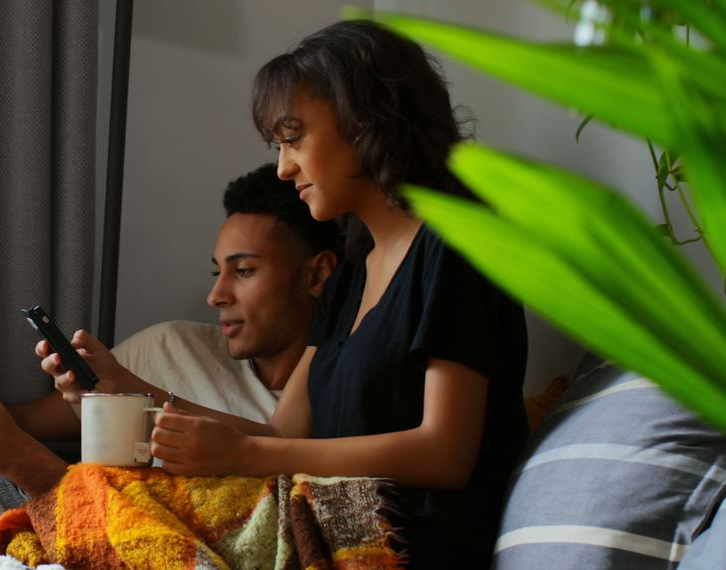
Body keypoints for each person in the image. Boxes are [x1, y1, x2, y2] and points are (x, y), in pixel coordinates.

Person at [42, 20, 529, 568]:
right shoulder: (354, 270)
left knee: (109, 502)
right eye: (278, 145)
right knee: (104, 488)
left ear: (366, 121)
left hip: (409, 543)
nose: (283, 166)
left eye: (294, 138)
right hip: (319, 514)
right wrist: (124, 387)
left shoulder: (458, 246)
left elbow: (445, 455)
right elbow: (284, 433)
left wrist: (249, 456)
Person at [0, 162, 340, 499]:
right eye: (215, 272)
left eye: (243, 272)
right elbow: (14, 424)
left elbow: (280, 451)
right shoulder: (170, 346)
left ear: (317, 275)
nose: (216, 296)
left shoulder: (331, 418)